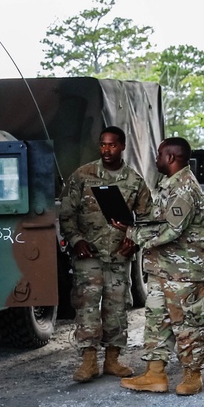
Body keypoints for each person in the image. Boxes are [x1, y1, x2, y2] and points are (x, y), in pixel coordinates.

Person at [113, 137, 204, 396]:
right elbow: (158, 223)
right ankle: (155, 375)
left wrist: (133, 234)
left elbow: (171, 230)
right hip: (162, 268)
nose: (156, 159)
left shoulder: (185, 189)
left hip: (185, 272)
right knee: (157, 321)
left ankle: (193, 375)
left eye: (159, 154)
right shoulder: (168, 185)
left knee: (188, 323)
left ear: (170, 158)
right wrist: (131, 227)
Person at [58, 126, 146, 383]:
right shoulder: (83, 176)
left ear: (122, 146)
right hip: (89, 256)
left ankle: (112, 360)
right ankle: (88, 362)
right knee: (86, 306)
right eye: (103, 145)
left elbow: (147, 218)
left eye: (112, 145)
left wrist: (134, 241)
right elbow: (66, 213)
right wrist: (76, 240)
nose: (107, 150)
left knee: (117, 307)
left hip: (119, 255)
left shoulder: (134, 181)